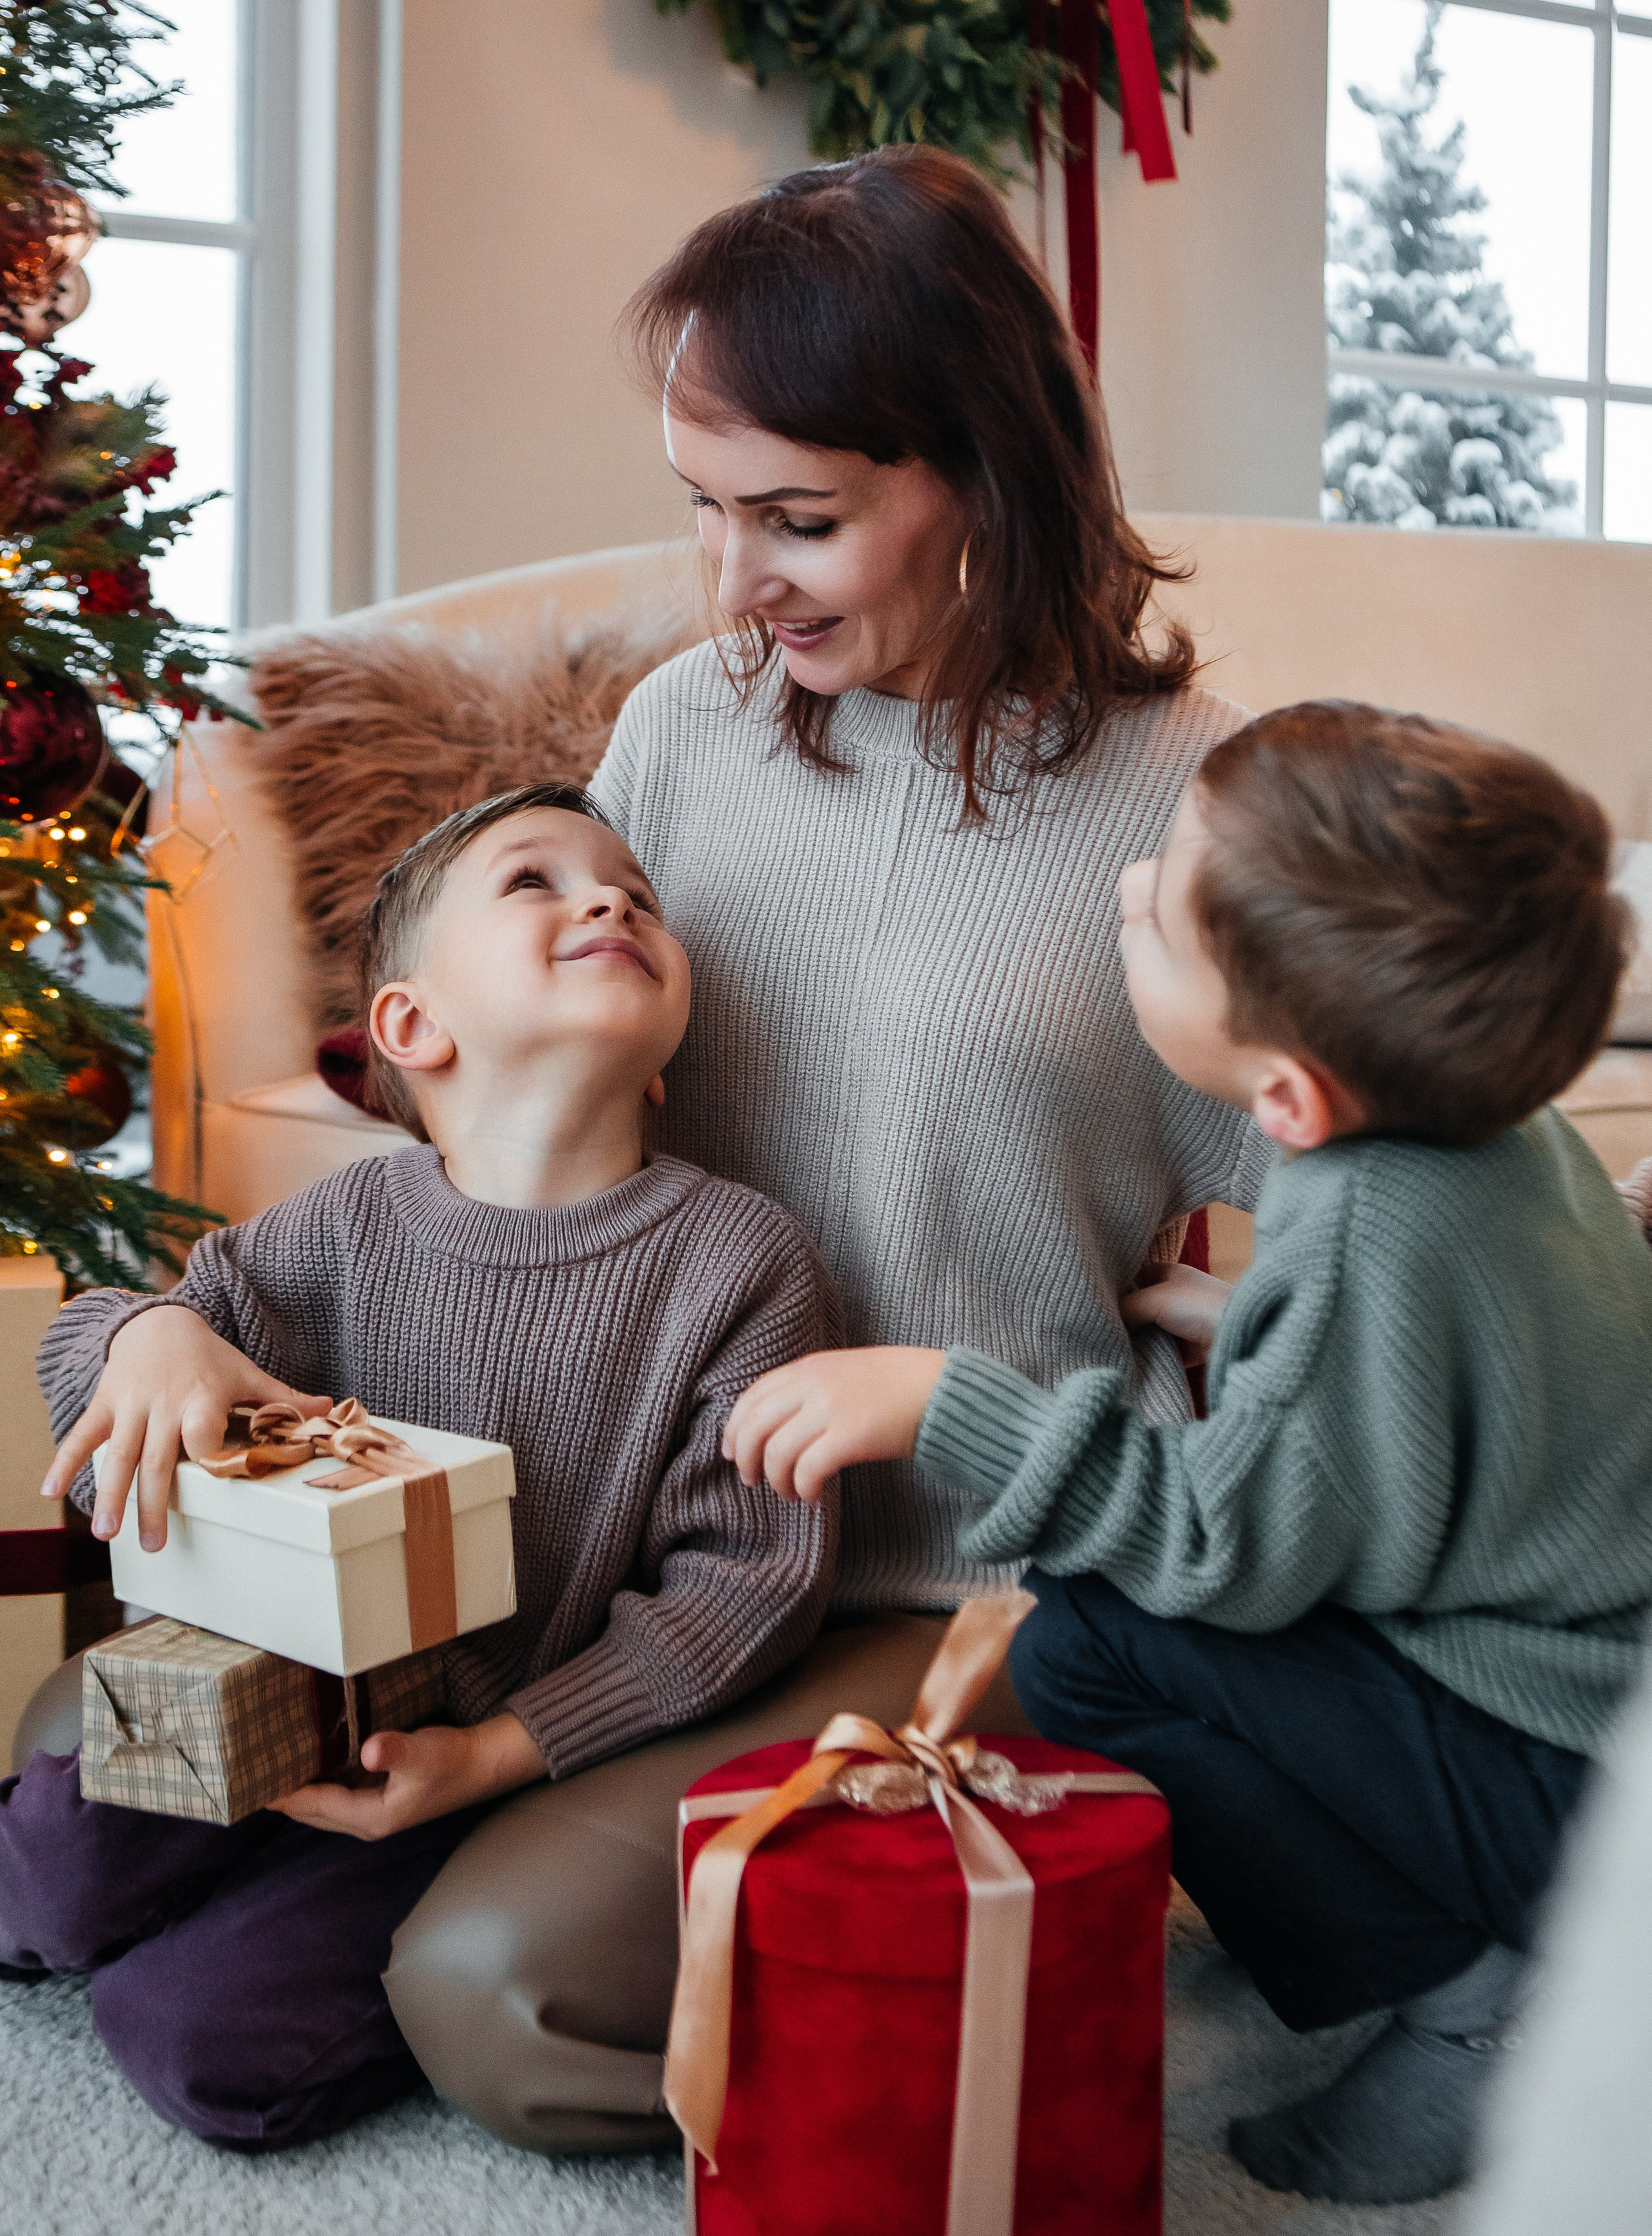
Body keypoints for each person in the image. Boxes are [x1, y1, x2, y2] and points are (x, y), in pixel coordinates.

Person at [366, 143, 1275, 2151]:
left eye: (801, 521)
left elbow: (1367, 1213)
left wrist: (1222, 1300)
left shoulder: (1195, 795)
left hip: (966, 1592)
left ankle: (1015, 2000)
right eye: (706, 513)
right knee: (244, 1846)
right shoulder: (682, 734)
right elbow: (510, 1119)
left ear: (987, 475)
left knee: (487, 1996)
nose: (731, 585)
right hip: (642, 1559)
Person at [725, 701, 1652, 2208]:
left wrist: (944, 1398)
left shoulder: (1353, 1216)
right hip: (1606, 1707)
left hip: (1577, 1797)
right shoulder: (1504, 1135)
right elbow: (1471, 1376)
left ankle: (1478, 1997)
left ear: (1286, 1095)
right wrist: (1259, 1328)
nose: (1121, 894)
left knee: (1099, 1631)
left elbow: (1229, 1551)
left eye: (1162, 909)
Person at [0, 782, 836, 2151]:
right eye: (535, 882)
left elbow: (743, 1586)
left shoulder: (742, 1263)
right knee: (37, 1887)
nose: (611, 900)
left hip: (465, 1762)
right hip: (247, 1693)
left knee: (200, 2047)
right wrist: (147, 1333)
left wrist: (492, 1759)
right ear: (410, 1025)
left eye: (636, 892)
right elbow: (103, 1348)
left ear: (667, 1056)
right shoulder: (338, 1226)